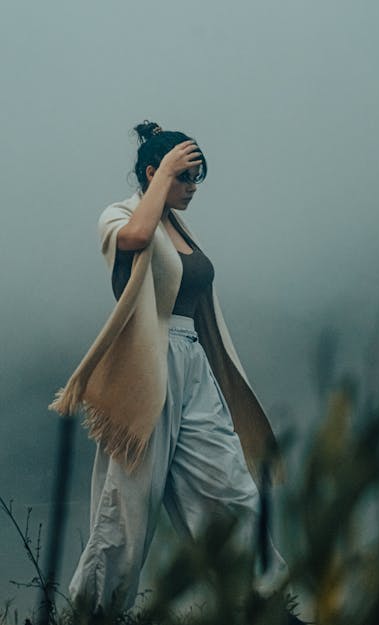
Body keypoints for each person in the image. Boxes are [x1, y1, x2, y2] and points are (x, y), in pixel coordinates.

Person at [54, 120, 295, 616]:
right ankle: (92, 612)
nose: (193, 188)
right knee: (127, 508)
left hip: (193, 364)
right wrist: (163, 174)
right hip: (147, 366)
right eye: (186, 177)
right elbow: (137, 237)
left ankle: (267, 602)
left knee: (232, 489)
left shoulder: (182, 227)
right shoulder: (119, 215)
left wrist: (168, 180)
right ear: (154, 173)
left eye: (196, 178)